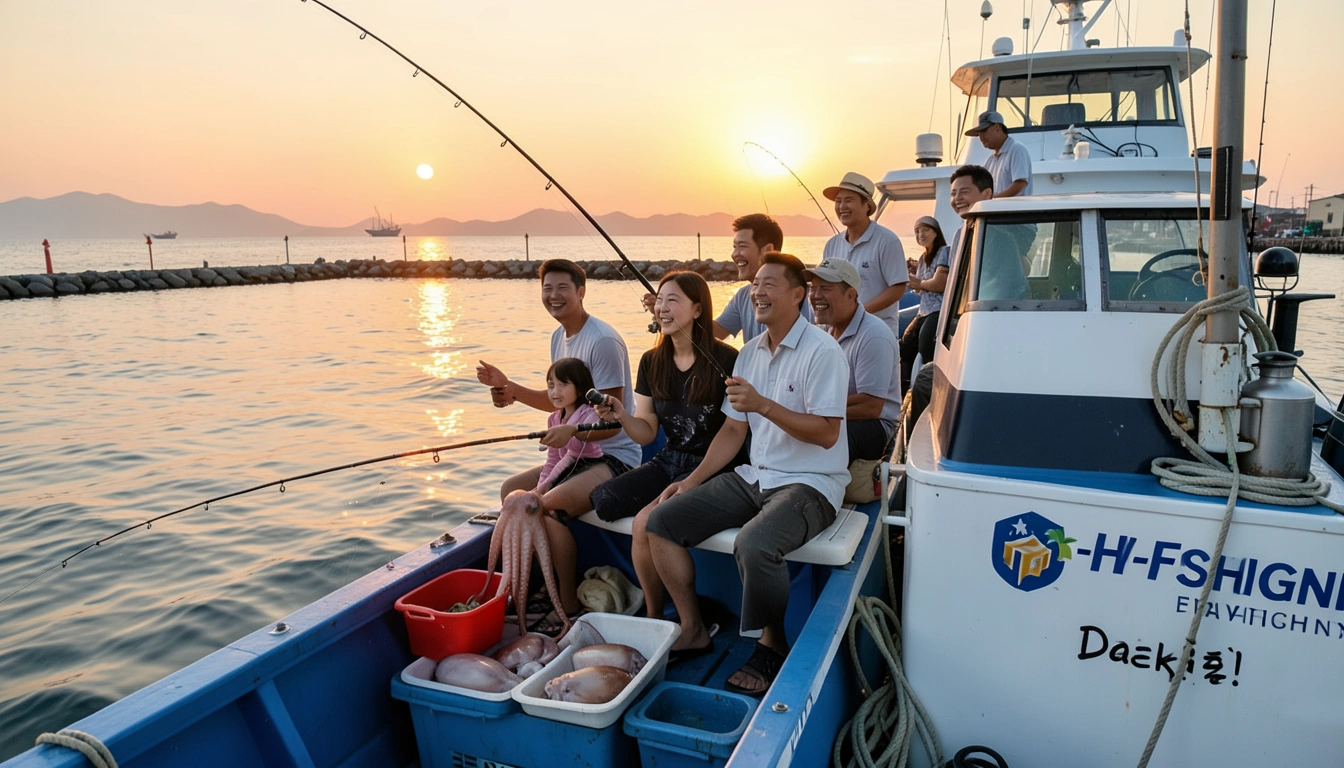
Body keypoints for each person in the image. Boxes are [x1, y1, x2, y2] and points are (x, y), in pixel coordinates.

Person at [644, 253, 849, 695]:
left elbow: (829, 435)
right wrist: (691, 480)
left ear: (798, 295)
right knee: (661, 522)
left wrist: (763, 405)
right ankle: (693, 627)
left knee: (754, 543)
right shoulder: (749, 354)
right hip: (756, 474)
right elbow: (735, 430)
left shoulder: (823, 352)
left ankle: (772, 645)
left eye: (770, 284)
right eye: (755, 283)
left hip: (811, 482)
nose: (757, 291)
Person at [475, 259, 641, 628]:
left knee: (543, 507)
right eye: (547, 289)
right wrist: (510, 390)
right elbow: (560, 401)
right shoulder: (558, 338)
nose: (553, 296)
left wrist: (574, 433)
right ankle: (530, 582)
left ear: (581, 291)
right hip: (574, 453)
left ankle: (565, 601)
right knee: (510, 491)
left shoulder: (602, 341)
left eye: (562, 288)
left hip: (613, 456)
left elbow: (612, 422)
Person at [589, 271, 741, 621]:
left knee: (647, 521)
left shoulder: (726, 359)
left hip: (713, 464)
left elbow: (734, 432)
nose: (662, 308)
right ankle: (657, 612)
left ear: (698, 309)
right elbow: (645, 432)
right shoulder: (651, 361)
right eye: (659, 300)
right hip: (670, 457)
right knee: (605, 500)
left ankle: (656, 615)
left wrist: (691, 481)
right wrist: (622, 416)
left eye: (673, 300)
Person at [804, 258, 900, 462]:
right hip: (834, 415)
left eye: (825, 288)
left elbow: (871, 406)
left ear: (850, 295)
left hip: (877, 428)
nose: (815, 295)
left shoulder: (874, 335)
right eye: (813, 288)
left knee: (823, 438)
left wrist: (815, 414)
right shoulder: (823, 330)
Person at [821, 172, 907, 338]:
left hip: (877, 334)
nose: (841, 206)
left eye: (849, 200)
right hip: (839, 334)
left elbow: (898, 288)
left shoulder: (887, 241)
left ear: (867, 205)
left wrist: (857, 314)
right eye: (838, 201)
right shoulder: (832, 245)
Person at [711, 213, 813, 342]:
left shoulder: (800, 295)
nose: (735, 254)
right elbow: (716, 332)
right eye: (734, 247)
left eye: (742, 246)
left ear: (769, 250)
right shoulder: (743, 295)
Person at [948, 164, 1025, 301]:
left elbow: (1009, 288)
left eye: (964, 192)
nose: (957, 198)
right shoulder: (960, 234)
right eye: (953, 194)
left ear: (987, 194)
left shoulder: (1001, 236)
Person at [534, 358, 603, 494]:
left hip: (586, 470)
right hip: (564, 474)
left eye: (563, 385)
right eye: (551, 386)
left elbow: (573, 453)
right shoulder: (553, 419)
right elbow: (553, 459)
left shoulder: (590, 414)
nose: (555, 392)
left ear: (579, 389)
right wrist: (540, 487)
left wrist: (542, 490)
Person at [900, 216, 950, 394]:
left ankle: (930, 389)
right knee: (905, 346)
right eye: (917, 231)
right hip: (924, 311)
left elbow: (939, 284)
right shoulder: (922, 258)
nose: (921, 234)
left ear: (935, 232)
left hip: (939, 310)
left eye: (925, 230)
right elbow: (920, 290)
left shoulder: (944, 251)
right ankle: (905, 389)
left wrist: (918, 282)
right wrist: (914, 280)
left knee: (926, 347)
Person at [964, 110, 1033, 198]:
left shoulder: (1017, 150)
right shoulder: (991, 160)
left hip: (1015, 211)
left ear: (997, 127)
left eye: (984, 131)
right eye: (978, 133)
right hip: (998, 210)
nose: (981, 137)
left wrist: (993, 200)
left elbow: (1020, 183)